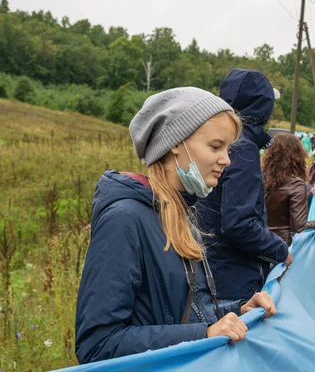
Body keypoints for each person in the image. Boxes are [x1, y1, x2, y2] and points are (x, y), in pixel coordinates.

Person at [75, 87, 277, 364]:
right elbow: (97, 345)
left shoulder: (182, 211)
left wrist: (238, 311)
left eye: (228, 149)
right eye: (215, 146)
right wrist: (203, 334)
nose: (226, 160)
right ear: (176, 143)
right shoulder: (125, 219)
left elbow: (184, 310)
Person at [195, 69, 291, 304]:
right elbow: (238, 223)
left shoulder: (218, 143)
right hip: (234, 281)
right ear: (263, 106)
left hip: (210, 270)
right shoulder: (243, 149)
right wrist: (281, 251)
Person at [263, 134, 315, 246]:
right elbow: (299, 227)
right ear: (298, 156)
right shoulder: (296, 184)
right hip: (284, 247)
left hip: (260, 241)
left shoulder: (261, 179)